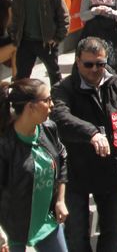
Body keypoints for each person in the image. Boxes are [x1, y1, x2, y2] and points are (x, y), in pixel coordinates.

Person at [50, 37, 117, 252]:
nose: (95, 70)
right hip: (76, 172)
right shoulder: (63, 89)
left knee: (114, 230)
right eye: (89, 64)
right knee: (76, 234)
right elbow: (60, 117)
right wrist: (91, 133)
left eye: (100, 64)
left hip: (111, 170)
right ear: (77, 61)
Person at [0, 79, 68, 252]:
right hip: (14, 231)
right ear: (30, 106)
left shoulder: (48, 129)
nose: (52, 105)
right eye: (46, 100)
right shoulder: (5, 146)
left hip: (47, 222)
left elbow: (62, 158)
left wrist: (60, 200)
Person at [10, 0, 69, 84]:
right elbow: (15, 17)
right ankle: (22, 103)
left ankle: (58, 101)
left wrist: (57, 38)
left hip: (46, 42)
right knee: (22, 77)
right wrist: (15, 36)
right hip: (25, 42)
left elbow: (63, 15)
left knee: (54, 75)